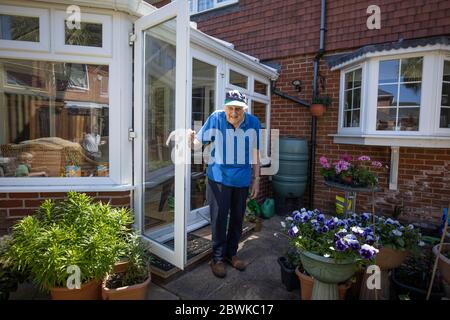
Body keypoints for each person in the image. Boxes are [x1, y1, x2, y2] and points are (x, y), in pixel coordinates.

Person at [189, 89, 261, 278]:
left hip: (242, 179)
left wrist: (257, 179)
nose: (234, 113)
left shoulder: (253, 123)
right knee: (220, 219)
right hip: (218, 178)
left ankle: (231, 254)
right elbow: (198, 143)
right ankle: (217, 258)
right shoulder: (216, 118)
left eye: (238, 109)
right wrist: (191, 141)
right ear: (225, 107)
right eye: (230, 108)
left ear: (245, 109)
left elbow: (255, 153)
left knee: (237, 218)